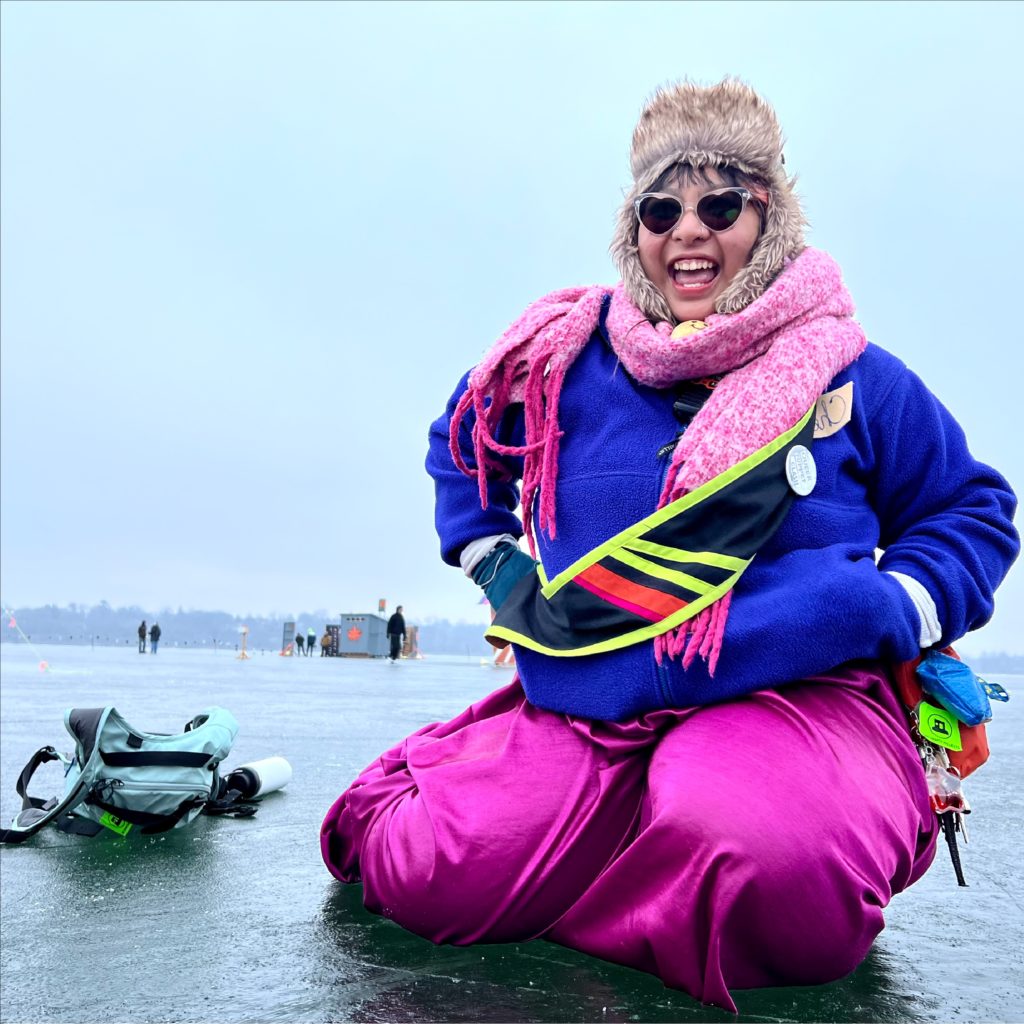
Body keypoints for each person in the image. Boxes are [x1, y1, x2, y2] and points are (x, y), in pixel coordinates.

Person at [320, 79, 1019, 1009]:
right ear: (634, 226)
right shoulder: (566, 357)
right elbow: (463, 438)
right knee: (431, 869)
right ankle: (626, 862)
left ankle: (651, 854)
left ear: (767, 218)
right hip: (593, 691)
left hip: (798, 692)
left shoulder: (853, 373)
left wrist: (897, 603)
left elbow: (972, 508)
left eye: (720, 204)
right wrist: (493, 560)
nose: (688, 231)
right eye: (662, 209)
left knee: (766, 867)